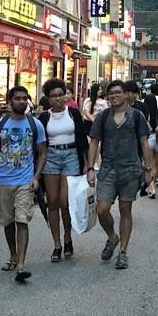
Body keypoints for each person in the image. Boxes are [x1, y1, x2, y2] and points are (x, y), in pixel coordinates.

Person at [86, 79, 154, 270]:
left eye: (118, 92)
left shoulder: (137, 116)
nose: (114, 96)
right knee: (101, 209)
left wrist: (148, 170)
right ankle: (112, 237)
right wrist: (90, 168)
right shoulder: (102, 117)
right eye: (111, 93)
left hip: (130, 170)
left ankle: (123, 252)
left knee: (126, 210)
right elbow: (94, 142)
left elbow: (144, 143)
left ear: (125, 95)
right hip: (107, 169)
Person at [0, 86, 47, 284]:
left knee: (22, 220)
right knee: (8, 221)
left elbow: (42, 153)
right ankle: (13, 254)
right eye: (18, 98)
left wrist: (36, 177)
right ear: (9, 101)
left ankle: (21, 264)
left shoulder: (35, 124)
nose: (22, 102)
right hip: (3, 180)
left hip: (25, 180)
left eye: (24, 98)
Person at [37, 78, 88, 262]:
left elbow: (83, 140)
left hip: (71, 155)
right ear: (48, 98)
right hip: (51, 157)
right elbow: (40, 144)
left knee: (65, 201)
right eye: (53, 96)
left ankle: (68, 238)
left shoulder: (73, 113)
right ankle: (57, 243)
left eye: (61, 95)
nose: (58, 99)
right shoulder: (44, 117)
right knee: (52, 202)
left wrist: (87, 165)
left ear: (66, 96)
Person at [142, 90, 158, 198]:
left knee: (148, 165)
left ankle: (152, 188)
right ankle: (155, 181)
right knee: (155, 164)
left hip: (149, 139)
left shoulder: (145, 114)